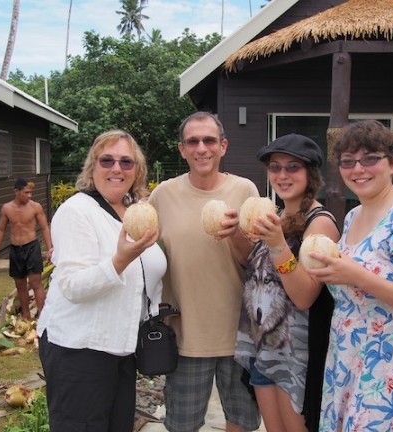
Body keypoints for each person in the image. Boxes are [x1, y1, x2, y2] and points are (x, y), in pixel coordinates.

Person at [305, 120, 393, 432]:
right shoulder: (355, 215)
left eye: (370, 158)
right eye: (348, 161)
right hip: (346, 357)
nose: (358, 169)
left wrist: (357, 275)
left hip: (386, 369)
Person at [37, 130, 166, 432]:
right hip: (80, 349)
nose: (116, 168)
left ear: (138, 170)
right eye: (107, 160)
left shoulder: (134, 212)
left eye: (126, 162)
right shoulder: (76, 211)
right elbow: (73, 286)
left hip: (120, 348)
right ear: (92, 166)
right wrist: (121, 259)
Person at [148, 112, 261, 432]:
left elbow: (255, 264)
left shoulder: (245, 190)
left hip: (239, 334)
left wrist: (236, 234)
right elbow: (146, 254)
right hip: (184, 335)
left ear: (223, 146)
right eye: (193, 141)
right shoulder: (163, 195)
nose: (202, 148)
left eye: (209, 140)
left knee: (241, 422)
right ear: (181, 149)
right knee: (182, 425)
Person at [234, 133, 340, 432]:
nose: (282, 175)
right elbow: (254, 271)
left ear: (311, 173)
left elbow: (305, 295)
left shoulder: (319, 223)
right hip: (264, 346)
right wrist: (234, 235)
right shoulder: (276, 216)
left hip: (297, 354)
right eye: (275, 167)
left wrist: (278, 243)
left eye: (292, 167)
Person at [0, 178, 54, 320]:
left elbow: (44, 228)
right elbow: (0, 230)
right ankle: (26, 316)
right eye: (26, 192)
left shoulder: (35, 207)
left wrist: (50, 249)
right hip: (16, 249)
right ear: (16, 192)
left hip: (32, 247)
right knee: (20, 284)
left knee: (36, 282)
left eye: (30, 192)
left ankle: (43, 316)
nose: (29, 195)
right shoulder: (7, 208)